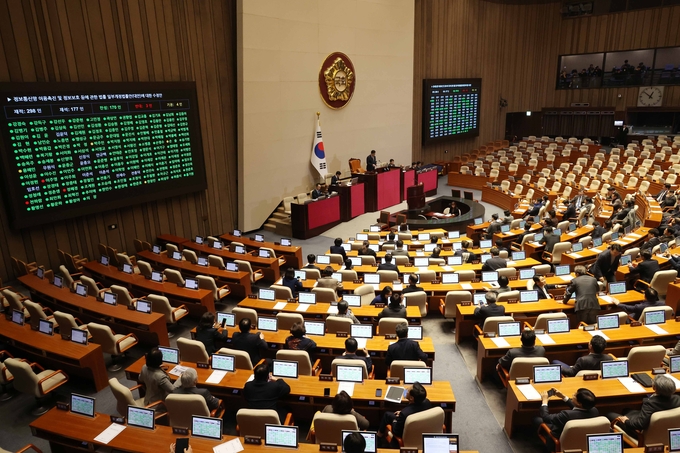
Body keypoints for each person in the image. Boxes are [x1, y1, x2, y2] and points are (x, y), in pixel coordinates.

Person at [607, 375, 680, 438]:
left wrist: (626, 421)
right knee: (626, 410)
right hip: (666, 431)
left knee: (609, 414)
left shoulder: (650, 403)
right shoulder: (677, 398)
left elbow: (640, 424)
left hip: (643, 433)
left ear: (654, 388)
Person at [533, 388, 598, 450]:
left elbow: (546, 417)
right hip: (583, 441)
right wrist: (563, 397)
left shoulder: (566, 415)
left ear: (579, 403)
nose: (572, 394)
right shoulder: (594, 411)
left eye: (574, 395)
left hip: (559, 441)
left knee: (537, 419)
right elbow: (578, 410)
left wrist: (544, 401)